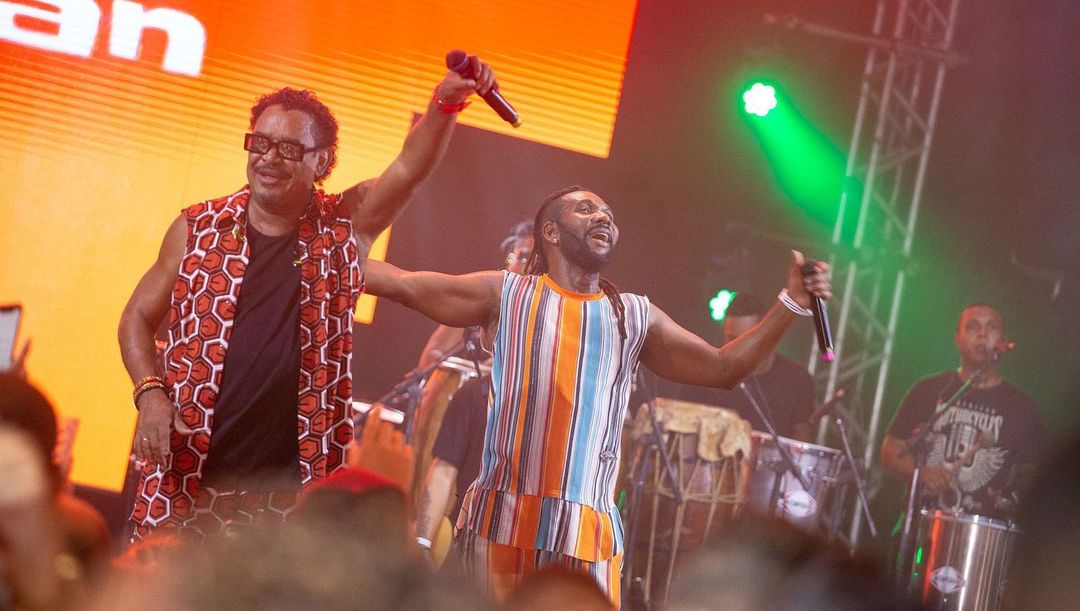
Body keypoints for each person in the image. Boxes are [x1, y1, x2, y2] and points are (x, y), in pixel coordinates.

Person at [363, 185, 831, 605]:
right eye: (586, 210)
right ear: (550, 231)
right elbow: (399, 282)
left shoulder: (634, 316)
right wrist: (317, 245)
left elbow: (725, 368)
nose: (604, 218)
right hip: (500, 521)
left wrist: (790, 303)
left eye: (608, 213)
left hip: (587, 535)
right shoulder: (507, 293)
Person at [118, 54, 500, 540]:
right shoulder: (197, 228)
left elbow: (408, 169)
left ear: (322, 160)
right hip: (182, 488)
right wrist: (150, 393)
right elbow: (136, 317)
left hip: (287, 506)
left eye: (289, 149)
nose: (269, 158)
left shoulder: (343, 229)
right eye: (260, 143)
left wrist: (445, 103)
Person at [414, 221, 533, 560]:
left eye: (532, 259)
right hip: (474, 414)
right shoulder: (482, 302)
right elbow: (434, 359)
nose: (525, 265)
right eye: (520, 256)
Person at [880, 304, 1044, 520]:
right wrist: (921, 474)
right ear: (957, 339)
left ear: (1003, 341)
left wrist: (1011, 497)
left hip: (985, 536)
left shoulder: (1023, 408)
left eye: (991, 327)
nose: (982, 334)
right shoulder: (928, 390)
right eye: (973, 326)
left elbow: (1034, 476)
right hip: (922, 526)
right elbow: (890, 451)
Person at [671, 291, 816, 440]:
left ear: (766, 336)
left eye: (745, 339)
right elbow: (680, 435)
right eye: (731, 338)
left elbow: (800, 447)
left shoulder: (797, 379)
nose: (737, 346)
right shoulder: (703, 375)